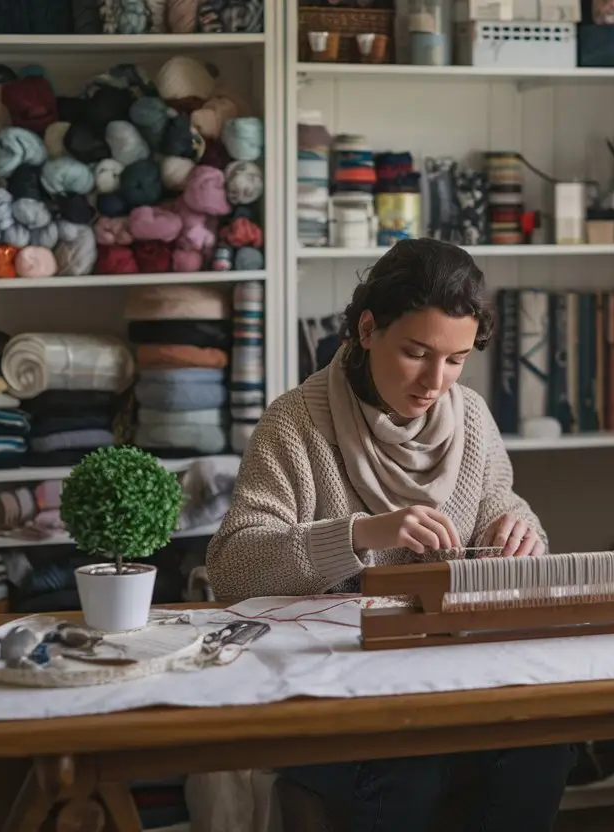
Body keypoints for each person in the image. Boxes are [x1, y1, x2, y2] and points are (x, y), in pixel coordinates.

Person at [205, 238, 576, 831]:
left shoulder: (472, 417)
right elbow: (233, 565)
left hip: (448, 682)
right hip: (333, 692)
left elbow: (500, 504)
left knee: (546, 746)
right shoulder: (294, 425)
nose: (435, 381)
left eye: (455, 360)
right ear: (369, 327)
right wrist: (359, 533)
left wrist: (520, 530)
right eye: (417, 353)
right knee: (412, 763)